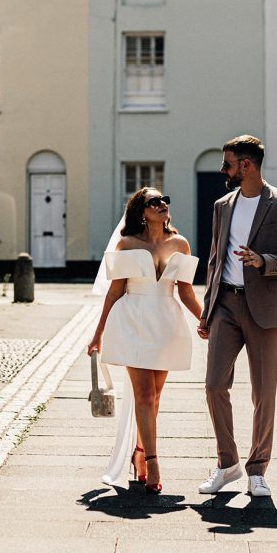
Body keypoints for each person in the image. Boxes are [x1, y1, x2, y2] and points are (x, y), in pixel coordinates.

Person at [197, 135, 277, 497]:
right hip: (226, 305)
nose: (222, 170)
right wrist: (207, 308)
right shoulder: (222, 206)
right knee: (214, 385)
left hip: (265, 308)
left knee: (263, 394)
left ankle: (257, 469)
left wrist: (265, 261)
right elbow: (215, 259)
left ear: (246, 165)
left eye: (227, 163)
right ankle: (227, 463)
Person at [88, 188, 202, 494]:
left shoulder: (180, 244)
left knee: (155, 397)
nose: (163, 204)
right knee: (144, 395)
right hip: (133, 322)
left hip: (166, 324)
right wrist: (98, 333)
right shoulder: (127, 244)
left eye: (165, 199)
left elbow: (186, 291)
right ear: (142, 211)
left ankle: (139, 452)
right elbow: (115, 291)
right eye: (154, 201)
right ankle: (152, 462)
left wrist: (206, 319)